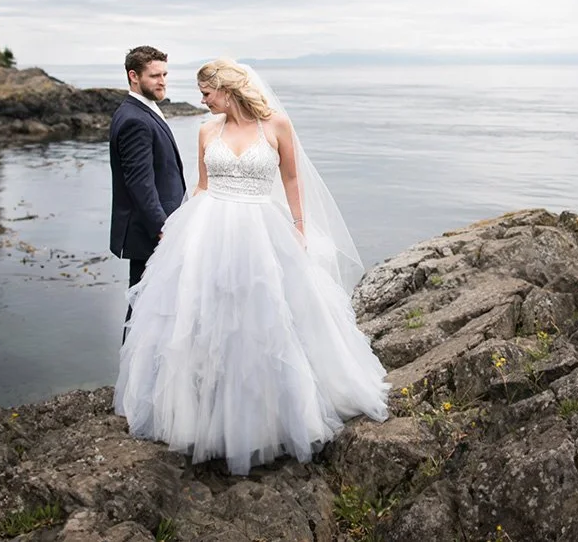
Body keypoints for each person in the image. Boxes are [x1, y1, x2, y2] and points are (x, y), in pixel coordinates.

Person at [114, 58, 389, 475]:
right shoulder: (207, 130)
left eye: (206, 92)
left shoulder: (276, 125)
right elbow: (202, 186)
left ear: (228, 89)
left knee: (267, 315)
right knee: (205, 317)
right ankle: (204, 410)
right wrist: (181, 231)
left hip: (262, 227)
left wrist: (299, 225)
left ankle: (270, 413)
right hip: (210, 225)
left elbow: (293, 179)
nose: (202, 100)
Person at [108, 46, 187, 340]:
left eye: (165, 74)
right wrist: (162, 229)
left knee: (150, 302)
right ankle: (133, 380)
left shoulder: (142, 110)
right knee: (142, 305)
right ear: (133, 76)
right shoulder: (134, 120)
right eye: (155, 75)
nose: (162, 81)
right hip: (149, 232)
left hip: (155, 227)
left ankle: (144, 373)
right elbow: (139, 183)